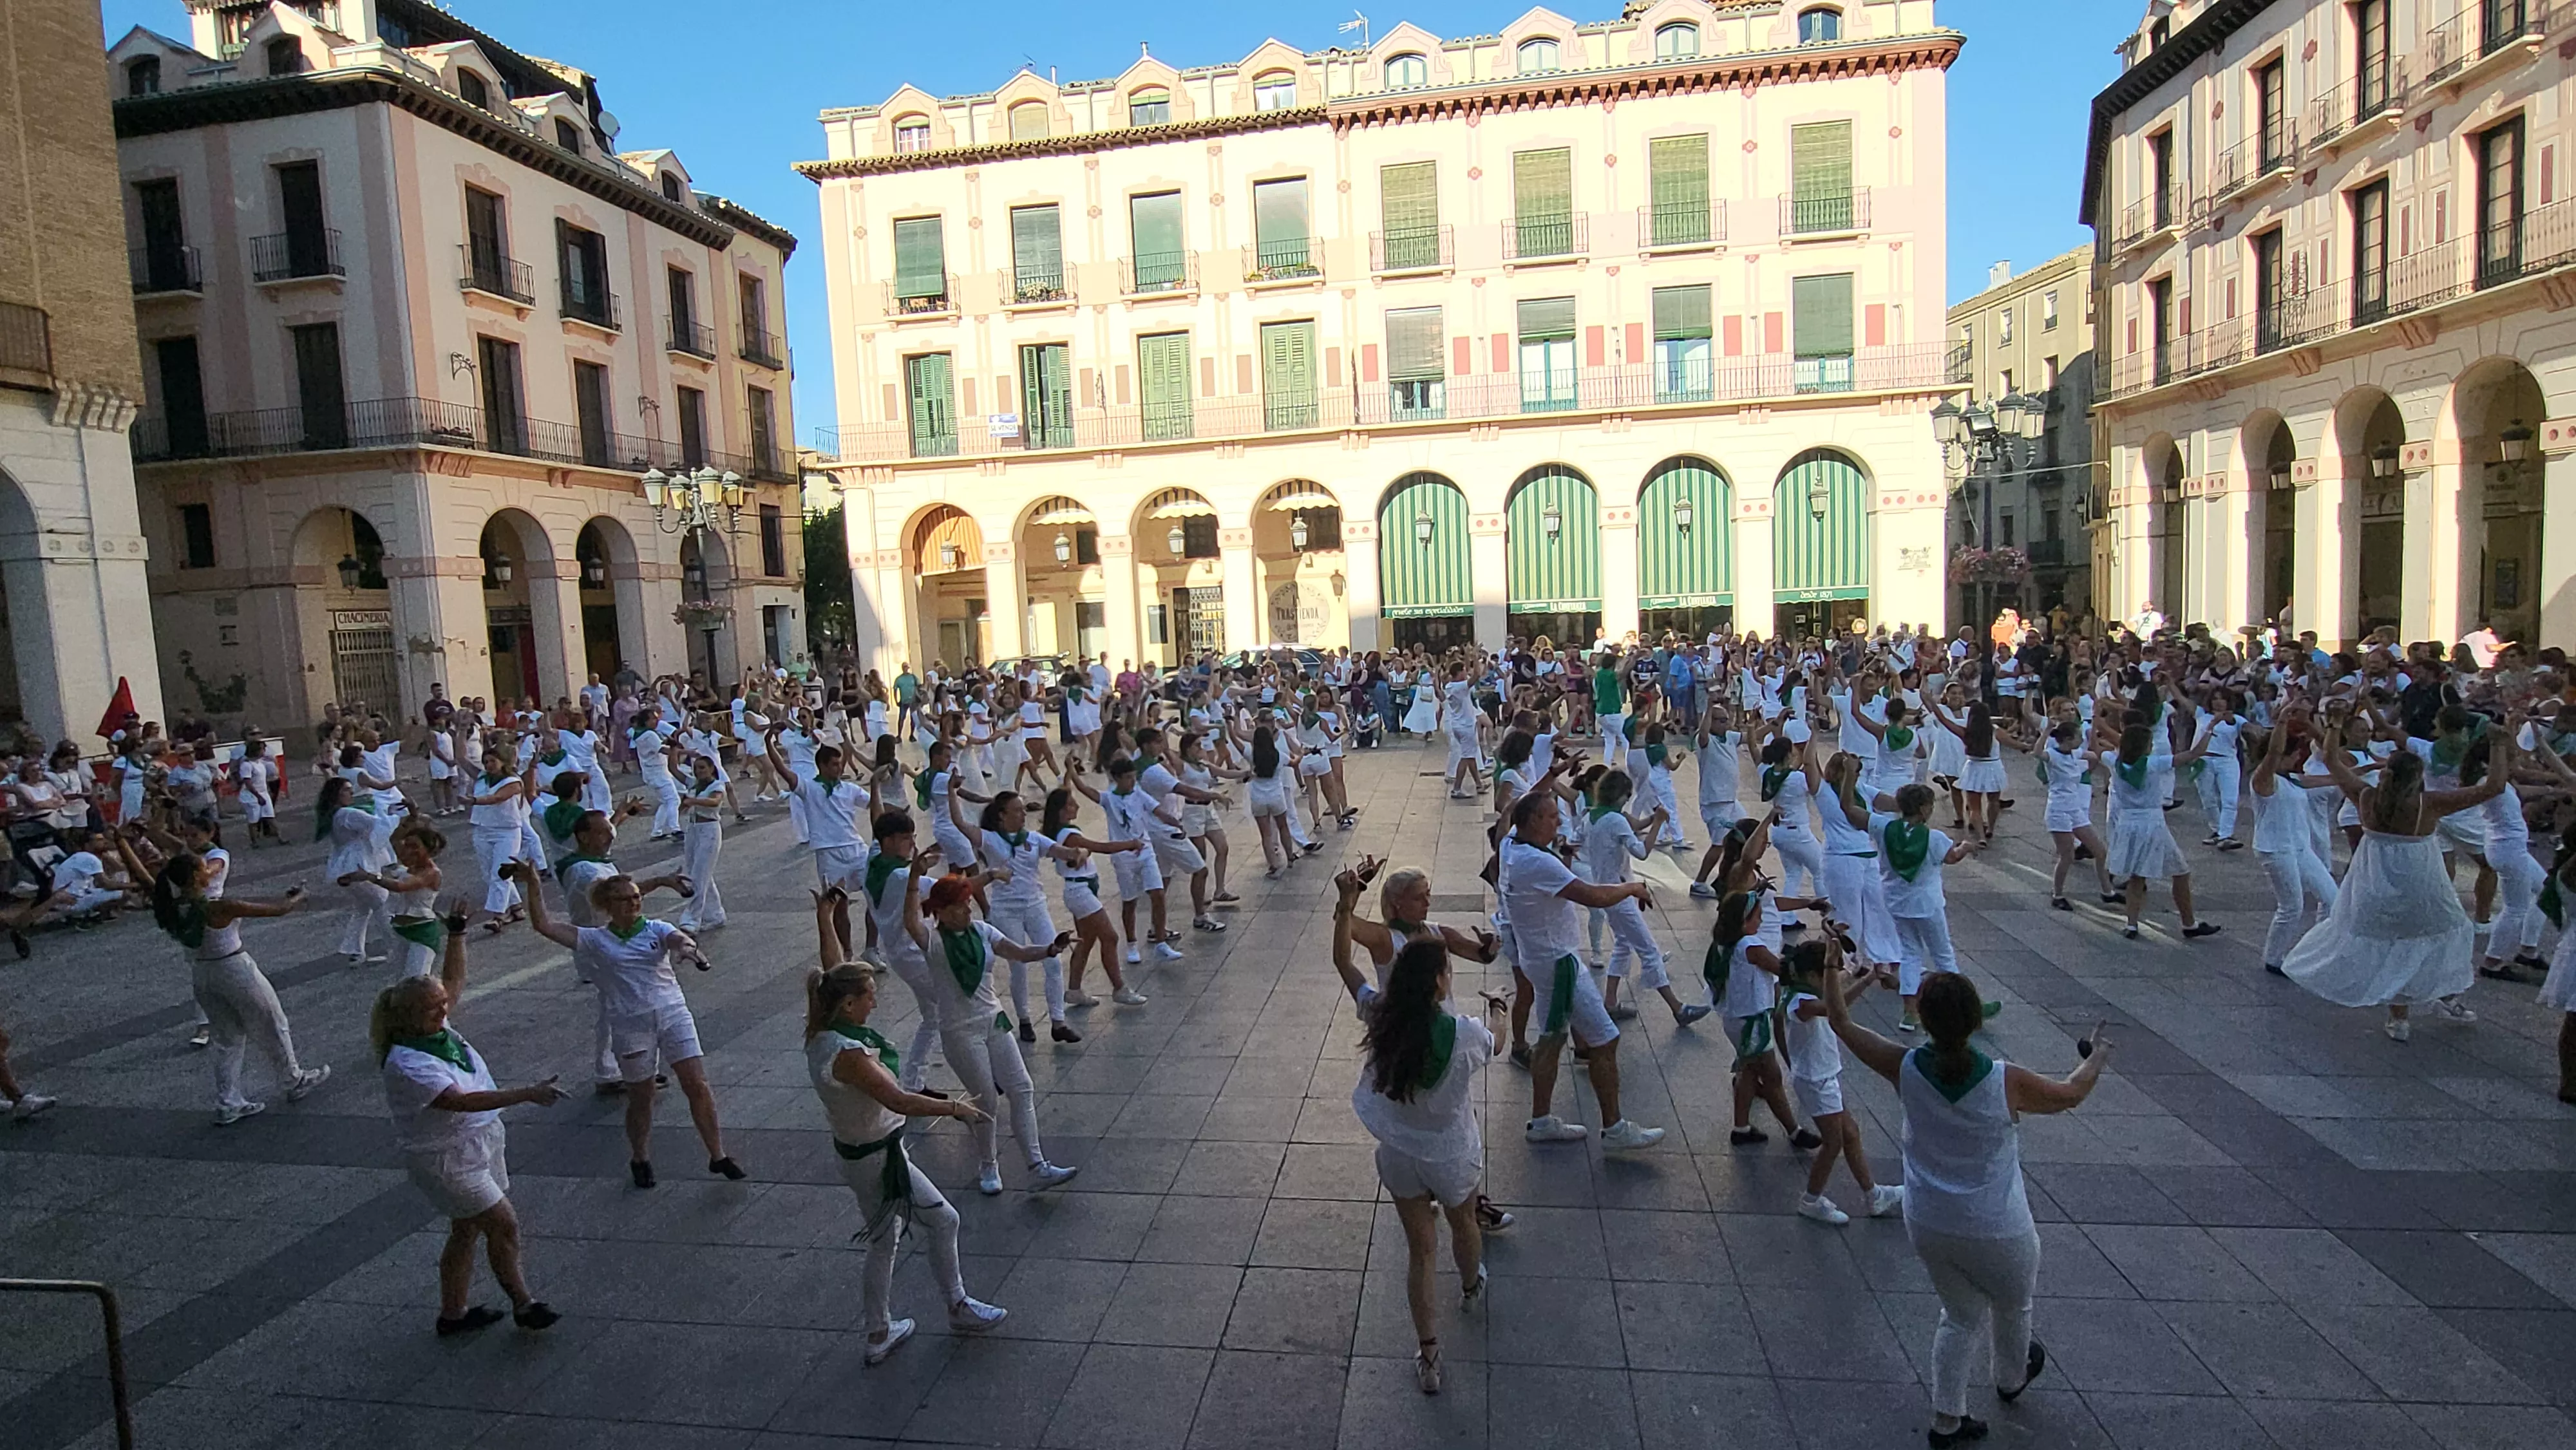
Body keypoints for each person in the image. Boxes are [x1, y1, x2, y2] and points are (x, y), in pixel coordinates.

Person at [1821, 968, 2110, 1447]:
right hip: (2000, 1228)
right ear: (1975, 1020)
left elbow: (1840, 1021)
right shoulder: (2005, 1080)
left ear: (1924, 1019)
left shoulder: (1904, 1065)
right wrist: (2097, 1056)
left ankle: (1947, 1420)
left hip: (1929, 1221)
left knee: (1958, 1316)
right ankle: (2010, 1378)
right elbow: (2071, 1094)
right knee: (2013, 1306)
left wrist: (1832, 963)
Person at [803, 888, 1007, 1364]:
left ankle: (879, 1332)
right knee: (943, 1220)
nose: (875, 1003)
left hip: (861, 1151)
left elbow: (832, 971)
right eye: (870, 997)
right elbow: (896, 1098)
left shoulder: (825, 1025)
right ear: (850, 1005)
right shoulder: (848, 1055)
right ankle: (956, 1305)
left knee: (883, 1239)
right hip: (878, 1157)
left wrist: (826, 917)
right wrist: (955, 1109)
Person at [372, 894, 567, 1335]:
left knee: (465, 1230)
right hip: (445, 1158)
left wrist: (457, 934)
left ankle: (452, 1314)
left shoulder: (435, 1029)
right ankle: (524, 1303)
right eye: (433, 1009)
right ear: (408, 1017)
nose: (445, 1011)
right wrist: (525, 1094)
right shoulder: (407, 1062)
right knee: (503, 1224)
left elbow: (452, 985)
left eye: (441, 1006)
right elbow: (457, 1101)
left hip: (479, 1142)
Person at [2281, 703, 2510, 1041]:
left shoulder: (2366, 796)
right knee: (2448, 930)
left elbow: (2330, 760)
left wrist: (2333, 725)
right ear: (2417, 777)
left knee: (2392, 939)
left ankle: (2400, 1017)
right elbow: (2493, 787)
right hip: (2421, 875)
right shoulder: (2429, 804)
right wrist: (2499, 744)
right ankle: (2446, 996)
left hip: (2373, 877)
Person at [512, 860, 743, 1186]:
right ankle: (640, 1156)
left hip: (673, 1014)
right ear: (608, 906)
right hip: (629, 1024)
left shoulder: (657, 928)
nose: (634, 903)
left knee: (697, 1084)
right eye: (625, 899)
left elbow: (679, 939)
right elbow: (544, 925)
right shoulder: (595, 939)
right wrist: (534, 884)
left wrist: (689, 949)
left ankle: (718, 1155)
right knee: (642, 1095)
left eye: (637, 897)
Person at [1350, 933, 1504, 1395]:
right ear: (1439, 982)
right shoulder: (1464, 1033)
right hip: (1451, 1153)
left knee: (1420, 1250)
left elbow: (1348, 969)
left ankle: (1430, 1353)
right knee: (1463, 1225)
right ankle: (1471, 1288)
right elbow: (1498, 1044)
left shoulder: (1383, 1020)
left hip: (1398, 1153)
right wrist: (1498, 1007)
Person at [1498, 793, 1665, 1150]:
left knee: (1552, 1037)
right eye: (1551, 817)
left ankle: (1541, 1120)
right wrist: (1633, 886)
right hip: (1560, 965)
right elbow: (1593, 896)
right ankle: (1615, 1128)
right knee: (1605, 1039)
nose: (1558, 822)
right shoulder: (1537, 864)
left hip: (1537, 959)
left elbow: (1513, 814)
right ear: (1531, 822)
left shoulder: (1510, 847)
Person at [907, 871, 1081, 1194]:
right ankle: (988, 1165)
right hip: (959, 1031)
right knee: (985, 1098)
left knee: (1022, 1088)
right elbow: (909, 920)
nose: (967, 911)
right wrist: (915, 876)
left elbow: (1018, 952)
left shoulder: (982, 931)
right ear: (941, 911)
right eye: (959, 906)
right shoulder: (932, 939)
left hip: (994, 1020)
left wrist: (1050, 949)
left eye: (968, 903)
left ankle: (1037, 1165)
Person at [150, 854, 328, 1124]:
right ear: (198, 877)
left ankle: (228, 1102)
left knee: (227, 1038)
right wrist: (299, 896)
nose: (209, 869)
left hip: (202, 973)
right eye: (203, 867)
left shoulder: (173, 907)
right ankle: (293, 1080)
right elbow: (278, 910)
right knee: (273, 1022)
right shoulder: (219, 907)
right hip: (235, 969)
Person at [1778, 933, 1903, 1225]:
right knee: (1834, 1142)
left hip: (1821, 1076)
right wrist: (1868, 978)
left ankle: (1873, 1194)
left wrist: (1854, 971)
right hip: (1816, 1080)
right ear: (1812, 974)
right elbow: (1838, 1009)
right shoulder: (1802, 1001)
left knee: (1850, 1133)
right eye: (1826, 974)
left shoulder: (1798, 992)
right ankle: (1811, 1200)